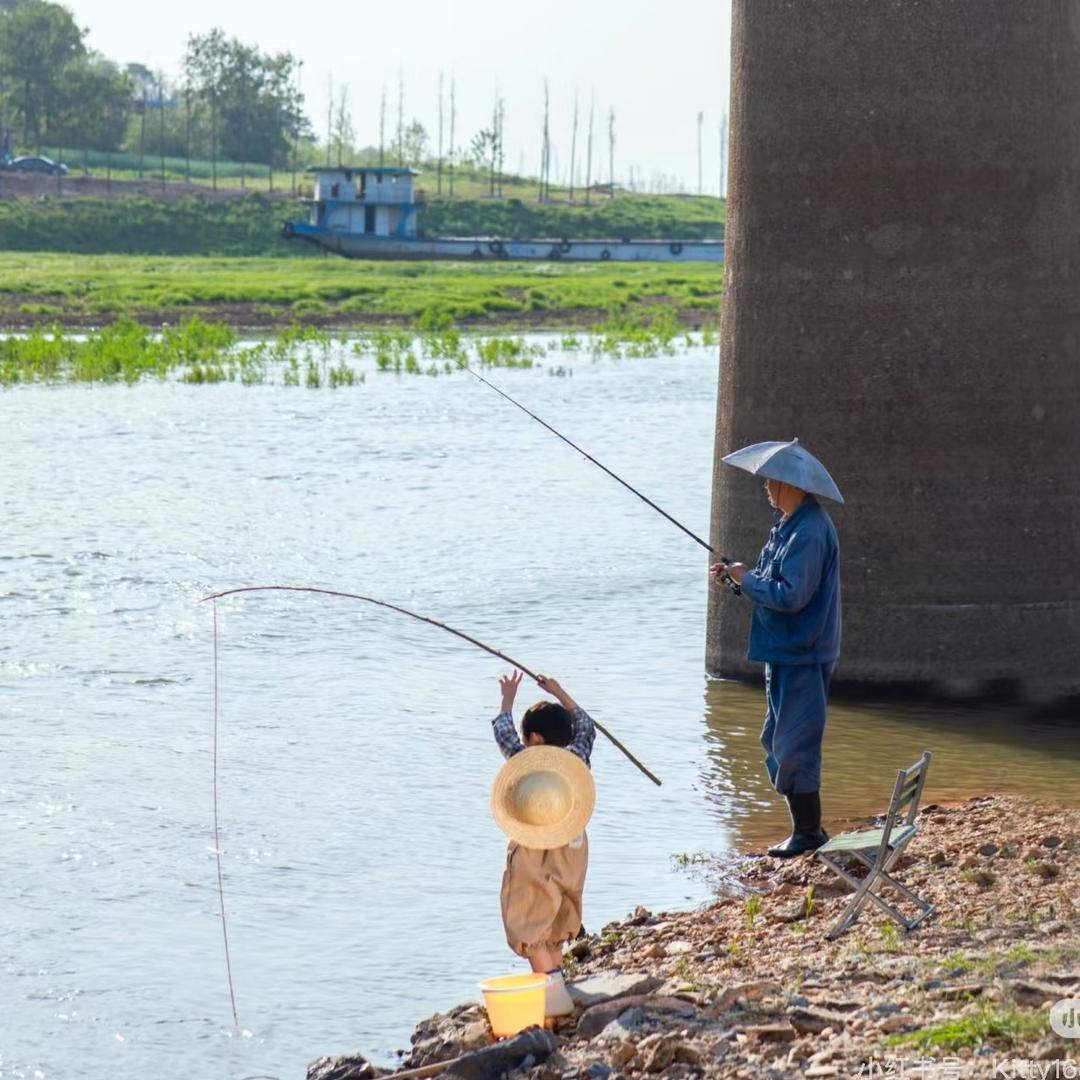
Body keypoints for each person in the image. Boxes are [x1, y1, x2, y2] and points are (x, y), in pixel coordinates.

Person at [710, 476, 841, 857]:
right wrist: (737, 579)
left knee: (794, 743)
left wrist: (745, 578)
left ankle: (809, 833)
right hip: (783, 649)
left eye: (772, 481)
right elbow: (770, 581)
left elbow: (792, 595)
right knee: (774, 738)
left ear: (793, 485)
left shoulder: (811, 531)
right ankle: (805, 827)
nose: (766, 487)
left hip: (803, 651)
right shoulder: (788, 525)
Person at [491, 671, 596, 1017]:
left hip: (535, 849)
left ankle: (552, 998)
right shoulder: (577, 757)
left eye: (527, 737)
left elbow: (502, 732)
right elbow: (586, 727)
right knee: (554, 919)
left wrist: (508, 697)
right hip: (573, 846)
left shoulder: (525, 764)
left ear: (534, 739)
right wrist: (559, 691)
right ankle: (557, 984)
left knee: (527, 919)